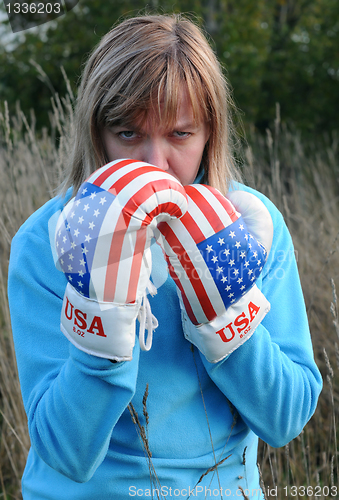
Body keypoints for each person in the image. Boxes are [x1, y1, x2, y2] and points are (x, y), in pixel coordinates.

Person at [8, 13, 322, 499]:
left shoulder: (252, 226)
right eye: (129, 135)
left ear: (210, 134)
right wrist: (101, 325)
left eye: (179, 134)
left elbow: (287, 418)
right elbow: (64, 454)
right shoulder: (53, 238)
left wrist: (227, 321)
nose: (155, 164)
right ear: (97, 133)